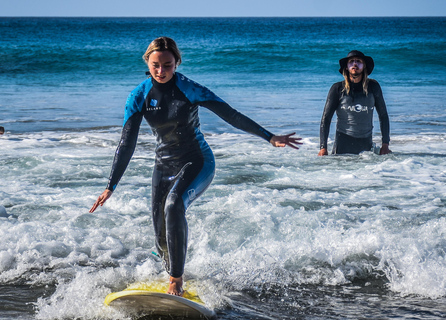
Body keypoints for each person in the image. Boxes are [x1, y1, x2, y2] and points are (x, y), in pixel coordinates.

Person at [89, 37, 302, 296]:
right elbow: (126, 144)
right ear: (147, 62)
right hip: (163, 166)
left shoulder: (189, 89)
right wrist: (110, 186)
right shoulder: (139, 96)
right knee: (160, 237)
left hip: (197, 161)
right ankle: (172, 274)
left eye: (167, 65)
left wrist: (269, 136)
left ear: (176, 63)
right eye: (156, 65)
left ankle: (176, 281)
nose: (161, 71)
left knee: (174, 204)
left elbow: (230, 114)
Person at [318, 50, 391, 156]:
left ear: (364, 66)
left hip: (366, 144)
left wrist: (385, 144)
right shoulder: (337, 89)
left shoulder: (373, 87)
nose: (355, 64)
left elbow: (383, 115)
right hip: (342, 143)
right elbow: (326, 118)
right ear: (346, 67)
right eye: (351, 61)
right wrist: (323, 147)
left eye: (359, 61)